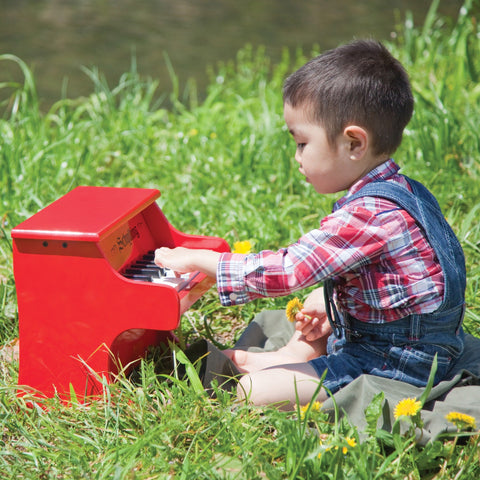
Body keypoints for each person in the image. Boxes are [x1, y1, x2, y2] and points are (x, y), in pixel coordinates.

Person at [154, 40, 466, 410]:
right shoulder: (404, 190)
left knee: (248, 394)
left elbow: (287, 270)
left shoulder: (368, 214)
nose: (297, 158)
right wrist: (330, 298)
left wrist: (206, 262)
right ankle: (276, 360)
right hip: (397, 339)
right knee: (314, 328)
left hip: (395, 363)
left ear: (353, 143)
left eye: (302, 143)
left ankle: (263, 372)